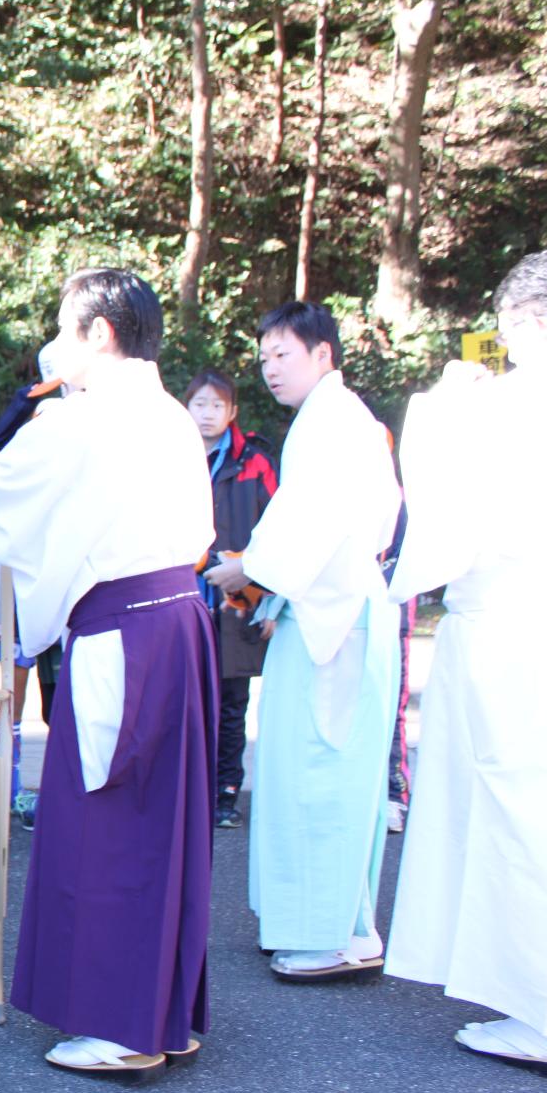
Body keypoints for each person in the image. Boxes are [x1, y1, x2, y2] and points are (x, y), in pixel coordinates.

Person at [0, 268, 216, 1080]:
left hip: (124, 633)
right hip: (179, 621)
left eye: (67, 330)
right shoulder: (174, 415)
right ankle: (160, 1012)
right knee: (161, 822)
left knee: (109, 823)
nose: (57, 346)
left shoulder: (82, 419)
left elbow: (5, 495)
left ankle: (120, 1022)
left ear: (99, 333)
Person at [385, 249, 547, 1074]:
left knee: (520, 806)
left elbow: (443, 517)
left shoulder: (515, 403)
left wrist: (439, 409)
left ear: (529, 322)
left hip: (515, 628)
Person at [205, 302, 401, 983]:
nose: (270, 369)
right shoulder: (335, 420)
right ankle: (346, 926)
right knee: (322, 770)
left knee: (322, 770)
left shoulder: (334, 423)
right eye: (263, 358)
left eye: (283, 354)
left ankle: (328, 937)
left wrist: (250, 568)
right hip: (331, 607)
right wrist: (271, 583)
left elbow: (305, 522)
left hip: (335, 621)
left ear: (323, 353)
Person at [184, 370, 278, 829]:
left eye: (217, 405)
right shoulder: (168, 460)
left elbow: (278, 531)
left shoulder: (254, 462)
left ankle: (225, 789)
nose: (207, 413)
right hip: (183, 599)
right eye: (199, 404)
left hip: (238, 597)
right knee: (183, 698)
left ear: (233, 413)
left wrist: (269, 598)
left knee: (231, 700)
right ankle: (189, 788)